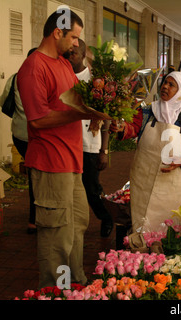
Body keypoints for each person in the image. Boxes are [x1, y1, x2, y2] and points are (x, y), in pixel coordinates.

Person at [17, 9, 95, 289]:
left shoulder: (63, 64)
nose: (77, 43)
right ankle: (54, 290)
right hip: (50, 163)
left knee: (76, 226)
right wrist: (83, 114)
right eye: (74, 37)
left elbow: (77, 101)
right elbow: (37, 121)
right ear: (57, 32)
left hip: (72, 162)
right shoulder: (33, 67)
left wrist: (100, 106)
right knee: (55, 234)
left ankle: (74, 284)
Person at [109, 71, 181, 250]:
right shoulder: (148, 111)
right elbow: (131, 129)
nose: (165, 87)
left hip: (179, 185)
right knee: (145, 225)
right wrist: (121, 127)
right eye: (165, 82)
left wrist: (180, 161)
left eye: (172, 85)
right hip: (145, 180)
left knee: (177, 230)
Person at [65, 38, 113, 238]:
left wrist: (104, 151)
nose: (69, 57)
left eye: (73, 53)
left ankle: (106, 216)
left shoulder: (96, 79)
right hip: (66, 143)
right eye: (67, 53)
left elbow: (106, 117)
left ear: (83, 55)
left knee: (92, 189)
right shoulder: (62, 75)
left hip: (88, 145)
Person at [0, 48, 37, 234]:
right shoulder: (43, 78)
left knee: (33, 174)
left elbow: (3, 102)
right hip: (38, 135)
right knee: (37, 176)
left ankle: (34, 218)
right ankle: (34, 218)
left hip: (20, 134)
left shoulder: (15, 77)